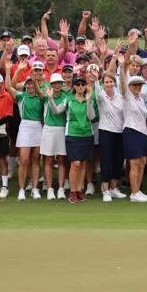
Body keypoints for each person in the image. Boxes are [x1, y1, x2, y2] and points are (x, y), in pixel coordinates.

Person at [48, 74, 96, 203]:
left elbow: (91, 117)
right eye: (78, 84)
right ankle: (73, 191)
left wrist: (88, 101)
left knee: (83, 164)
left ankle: (79, 190)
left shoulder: (89, 99)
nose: (80, 86)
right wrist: (50, 99)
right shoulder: (68, 99)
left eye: (83, 84)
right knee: (76, 164)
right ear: (74, 86)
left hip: (87, 134)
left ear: (85, 86)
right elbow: (57, 111)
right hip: (73, 135)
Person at [116, 47, 147, 202]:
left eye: (139, 85)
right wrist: (122, 65)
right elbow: (123, 81)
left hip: (143, 133)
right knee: (134, 163)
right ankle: (134, 192)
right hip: (131, 132)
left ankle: (138, 191)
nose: (137, 87)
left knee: (142, 162)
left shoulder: (141, 99)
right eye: (134, 85)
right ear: (130, 86)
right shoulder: (127, 96)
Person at [6, 61, 44, 201]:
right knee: (24, 159)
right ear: (25, 85)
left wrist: (36, 82)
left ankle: (34, 188)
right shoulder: (21, 96)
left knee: (36, 159)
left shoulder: (41, 97)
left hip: (38, 127)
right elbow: (8, 87)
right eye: (28, 84)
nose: (30, 86)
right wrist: (10, 71)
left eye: (32, 84)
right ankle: (21, 190)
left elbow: (42, 95)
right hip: (25, 128)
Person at [40, 73, 69, 200]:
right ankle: (50, 189)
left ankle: (61, 188)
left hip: (61, 129)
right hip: (48, 129)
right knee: (49, 160)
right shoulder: (45, 94)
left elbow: (57, 111)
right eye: (55, 83)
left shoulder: (66, 97)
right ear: (51, 84)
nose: (57, 85)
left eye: (59, 83)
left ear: (62, 84)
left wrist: (50, 98)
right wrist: (48, 95)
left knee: (62, 160)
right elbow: (39, 92)